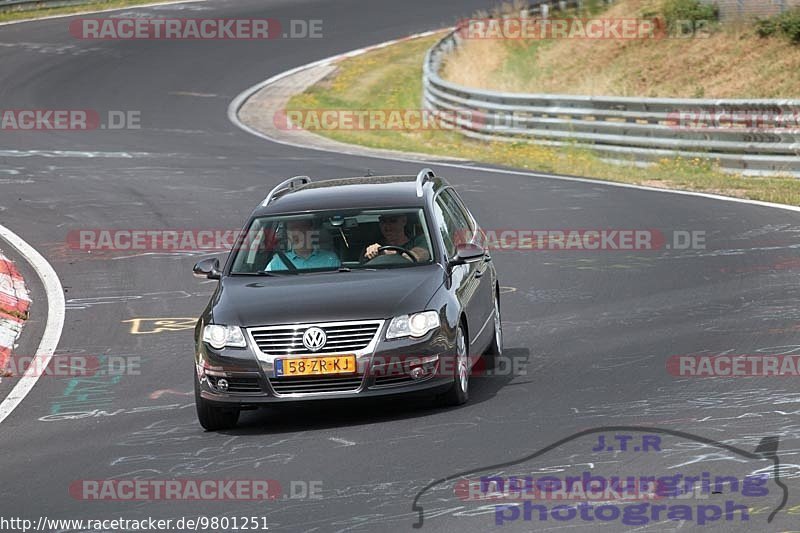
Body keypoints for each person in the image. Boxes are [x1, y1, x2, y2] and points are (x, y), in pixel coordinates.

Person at [266, 218, 340, 271]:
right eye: (292, 229)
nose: (297, 233)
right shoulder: (277, 262)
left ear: (311, 230)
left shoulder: (330, 260)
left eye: (302, 227)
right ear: (287, 233)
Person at [363, 214, 430, 262]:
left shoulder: (421, 240)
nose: (387, 227)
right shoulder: (372, 246)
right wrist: (371, 253)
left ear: (404, 221)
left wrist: (385, 253)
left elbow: (416, 256)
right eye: (383, 221)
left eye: (393, 221)